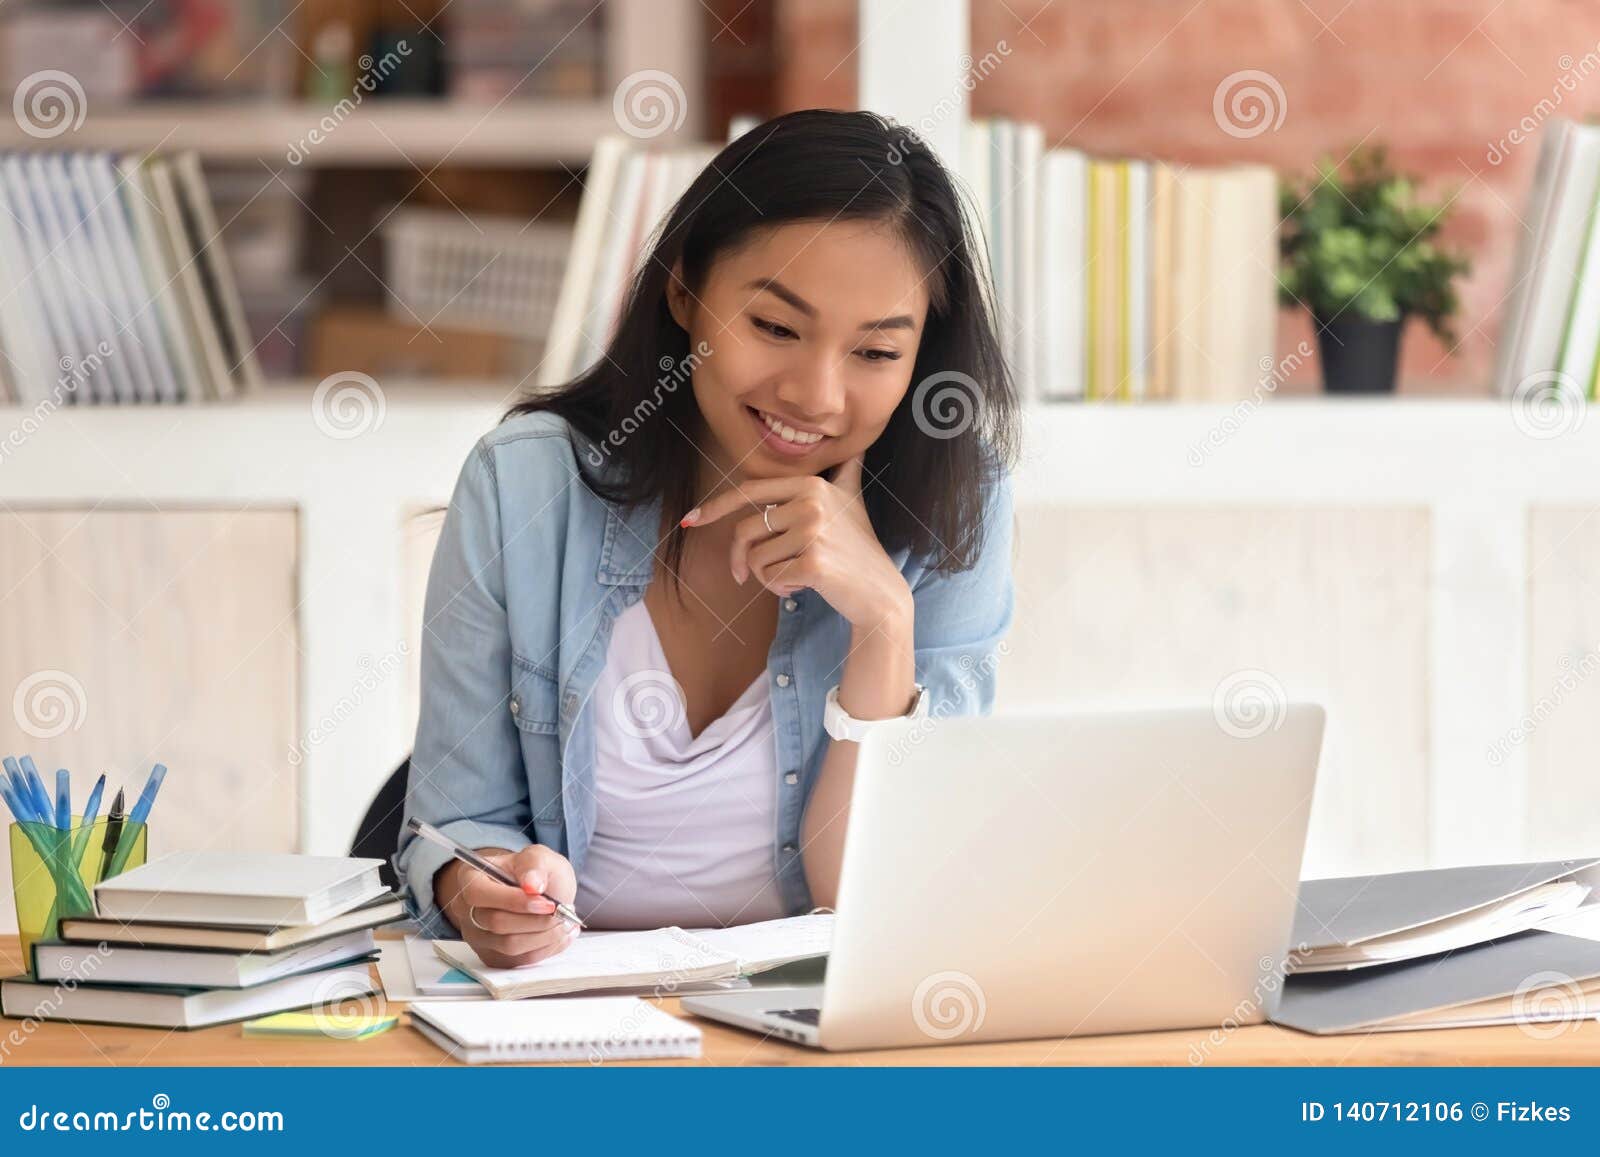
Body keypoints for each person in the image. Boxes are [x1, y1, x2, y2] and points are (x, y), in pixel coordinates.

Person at [395, 108, 1020, 968]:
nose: (817, 394)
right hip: (568, 1032)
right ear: (685, 291)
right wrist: (491, 890)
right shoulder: (525, 486)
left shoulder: (958, 505)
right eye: (774, 328)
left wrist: (884, 621)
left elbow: (881, 899)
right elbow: (455, 823)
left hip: (808, 1036)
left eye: (875, 352)